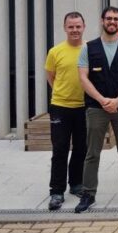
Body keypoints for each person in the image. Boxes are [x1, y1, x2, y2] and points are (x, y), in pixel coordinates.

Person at [75, 6, 118, 213]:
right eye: (109, 18)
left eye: (116, 19)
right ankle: (88, 194)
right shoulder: (89, 48)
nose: (112, 22)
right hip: (96, 107)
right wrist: (102, 100)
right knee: (92, 153)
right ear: (102, 20)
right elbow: (83, 78)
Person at [44, 11, 88, 211]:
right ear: (65, 28)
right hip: (60, 107)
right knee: (60, 149)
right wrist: (62, 93)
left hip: (83, 107)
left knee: (81, 148)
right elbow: (50, 76)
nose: (75, 30)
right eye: (71, 27)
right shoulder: (55, 51)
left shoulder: (89, 49)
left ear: (84, 27)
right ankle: (56, 191)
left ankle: (76, 184)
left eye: (78, 26)